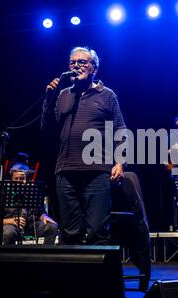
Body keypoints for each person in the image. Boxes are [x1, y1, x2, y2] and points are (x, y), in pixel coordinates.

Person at [41, 47, 126, 245]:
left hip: (97, 170)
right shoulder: (62, 95)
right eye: (73, 63)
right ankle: (75, 276)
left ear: (94, 68)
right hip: (65, 170)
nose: (76, 66)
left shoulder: (107, 95)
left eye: (82, 62)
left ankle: (101, 276)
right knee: (70, 231)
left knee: (97, 230)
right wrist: (49, 98)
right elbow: (47, 129)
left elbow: (120, 130)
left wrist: (120, 162)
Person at [0, 163, 58, 245]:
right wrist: (12, 221)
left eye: (22, 178)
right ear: (11, 178)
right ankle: (10, 256)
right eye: (16, 179)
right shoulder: (4, 193)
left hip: (32, 225)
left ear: (26, 179)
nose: (19, 182)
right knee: (9, 233)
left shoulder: (33, 192)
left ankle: (45, 254)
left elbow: (41, 212)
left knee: (53, 227)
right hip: (11, 226)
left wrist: (44, 216)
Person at [111, 171, 151, 291]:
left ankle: (143, 284)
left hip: (135, 222)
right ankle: (114, 283)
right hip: (117, 222)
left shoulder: (129, 178)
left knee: (140, 253)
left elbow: (138, 207)